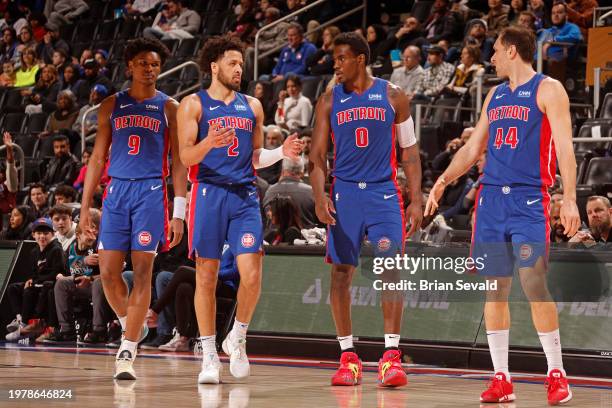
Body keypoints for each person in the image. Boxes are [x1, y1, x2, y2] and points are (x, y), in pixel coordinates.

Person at [424, 26, 580, 405]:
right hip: (491, 202)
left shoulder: (548, 89)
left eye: (495, 51)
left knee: (533, 283)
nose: (490, 57)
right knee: (494, 290)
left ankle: (557, 374)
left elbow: (565, 148)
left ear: (512, 51)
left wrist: (571, 198)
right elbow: (473, 147)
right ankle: (501, 378)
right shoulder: (493, 95)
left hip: (528, 200)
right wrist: (443, 179)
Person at [177, 35, 303, 384]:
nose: (239, 70)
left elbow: (256, 156)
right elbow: (186, 157)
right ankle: (208, 355)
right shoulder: (193, 104)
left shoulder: (253, 106)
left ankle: (238, 336)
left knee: (252, 273)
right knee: (206, 274)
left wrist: (282, 154)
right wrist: (208, 142)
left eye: (241, 65)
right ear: (214, 66)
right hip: (208, 193)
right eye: (233, 63)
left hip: (245, 194)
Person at [309, 32, 423, 387]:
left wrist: (416, 199)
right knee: (341, 274)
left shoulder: (393, 95)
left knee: (390, 269)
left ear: (360, 59)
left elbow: (411, 152)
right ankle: (348, 357)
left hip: (384, 194)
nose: (335, 65)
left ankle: (391, 357)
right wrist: (318, 196)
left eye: (341, 58)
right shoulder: (328, 100)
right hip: (344, 195)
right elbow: (316, 157)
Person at [78, 37, 188, 380]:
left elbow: (180, 161)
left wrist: (179, 211)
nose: (150, 69)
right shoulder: (111, 105)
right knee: (108, 273)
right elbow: (97, 158)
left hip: (151, 193)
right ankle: (131, 324)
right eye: (143, 63)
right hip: (116, 192)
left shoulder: (170, 107)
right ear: (130, 66)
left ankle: (127, 350)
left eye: (155, 64)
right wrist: (84, 208)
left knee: (142, 273)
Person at [5, 217, 67, 341]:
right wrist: (31, 280)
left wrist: (36, 281)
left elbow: (57, 272)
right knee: (13, 288)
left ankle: (31, 324)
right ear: (33, 234)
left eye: (46, 233)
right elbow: (34, 273)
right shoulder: (34, 252)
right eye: (39, 233)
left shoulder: (56, 249)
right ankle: (19, 319)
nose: (42, 236)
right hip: (39, 283)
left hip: (51, 284)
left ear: (53, 234)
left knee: (31, 289)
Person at [263, 157, 317, 228]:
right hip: (305, 237)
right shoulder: (311, 192)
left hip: (274, 237)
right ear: (302, 173)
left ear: (283, 171)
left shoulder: (270, 191)